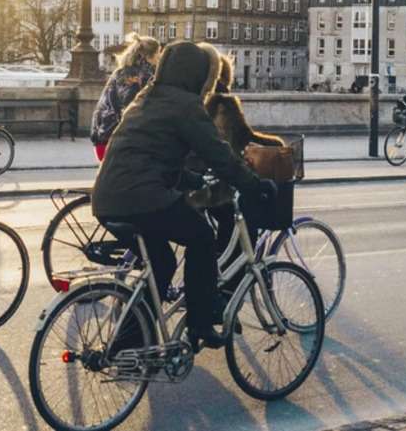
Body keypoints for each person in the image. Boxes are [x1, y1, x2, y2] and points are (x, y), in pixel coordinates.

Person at [91, 41, 274, 350]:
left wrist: (192, 179)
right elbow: (221, 156)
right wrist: (254, 185)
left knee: (161, 263)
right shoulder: (185, 105)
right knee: (202, 237)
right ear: (197, 75)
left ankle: (127, 344)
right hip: (141, 199)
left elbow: (153, 154)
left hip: (107, 199)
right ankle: (200, 323)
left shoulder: (146, 97)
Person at [204, 55, 285, 251]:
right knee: (240, 216)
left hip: (202, 174)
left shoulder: (204, 100)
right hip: (218, 176)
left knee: (221, 222)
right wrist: (278, 144)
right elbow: (246, 135)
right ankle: (231, 272)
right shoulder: (226, 102)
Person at [90, 34, 161, 162]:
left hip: (101, 137)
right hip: (120, 141)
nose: (160, 58)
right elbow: (133, 111)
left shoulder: (119, 72)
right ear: (150, 56)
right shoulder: (146, 77)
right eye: (158, 53)